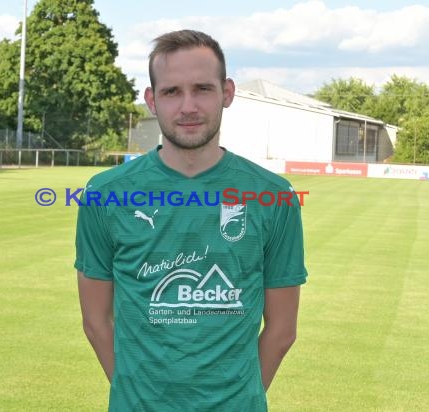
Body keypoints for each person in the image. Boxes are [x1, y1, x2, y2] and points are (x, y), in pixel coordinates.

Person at [75, 29, 308, 411]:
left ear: (227, 93)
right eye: (171, 92)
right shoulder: (106, 193)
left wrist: (238, 400)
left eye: (202, 88)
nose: (188, 106)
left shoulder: (273, 195)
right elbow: (95, 322)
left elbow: (282, 331)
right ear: (152, 100)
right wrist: (137, 396)